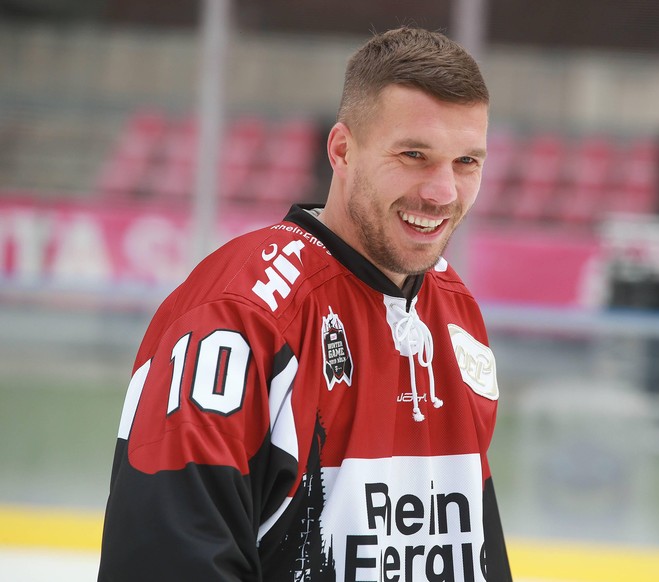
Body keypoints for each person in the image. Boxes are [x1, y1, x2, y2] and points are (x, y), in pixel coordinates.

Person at [98, 27, 512, 581]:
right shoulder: (239, 314)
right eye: (414, 155)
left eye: (467, 162)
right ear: (342, 150)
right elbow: (168, 559)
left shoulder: (455, 311)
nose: (442, 192)